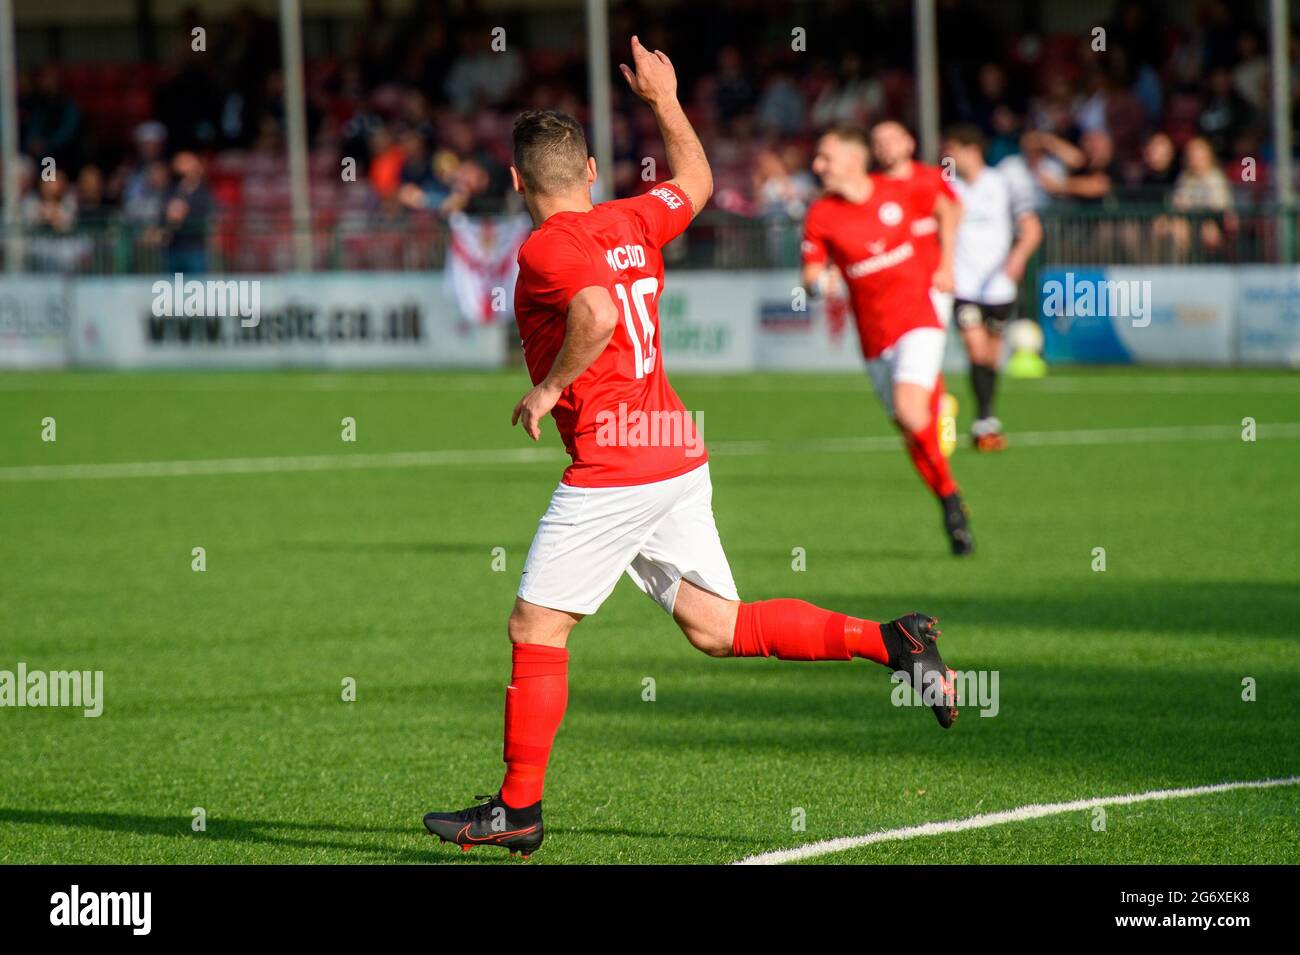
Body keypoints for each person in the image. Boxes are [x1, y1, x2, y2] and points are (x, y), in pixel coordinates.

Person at [421, 38, 960, 860]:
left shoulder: (543, 248)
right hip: (673, 442)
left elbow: (595, 317)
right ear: (593, 171)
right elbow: (701, 184)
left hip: (618, 461)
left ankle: (517, 809)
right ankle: (892, 640)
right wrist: (666, 101)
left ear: (518, 182)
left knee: (536, 625)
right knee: (717, 627)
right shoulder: (630, 218)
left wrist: (546, 388)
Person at [803, 125, 973, 555]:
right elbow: (809, 275)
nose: (816, 165)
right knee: (909, 427)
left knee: (908, 409)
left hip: (919, 315)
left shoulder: (899, 189)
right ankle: (950, 500)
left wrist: (946, 263)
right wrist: (821, 283)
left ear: (853, 159)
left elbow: (949, 210)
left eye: (825, 157)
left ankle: (948, 487)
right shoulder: (821, 213)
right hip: (873, 337)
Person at [941, 124, 1042, 451]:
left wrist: (1017, 258)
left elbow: (1031, 229)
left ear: (972, 151)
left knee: (992, 356)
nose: (949, 157)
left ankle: (986, 417)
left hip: (999, 286)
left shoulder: (1002, 183)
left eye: (954, 151)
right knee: (975, 347)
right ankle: (984, 419)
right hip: (964, 285)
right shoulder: (950, 186)